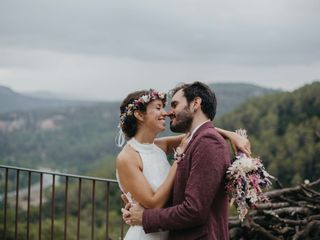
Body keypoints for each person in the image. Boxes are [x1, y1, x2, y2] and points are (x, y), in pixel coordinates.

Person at [117, 85, 251, 240]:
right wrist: (177, 159)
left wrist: (232, 135)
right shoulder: (128, 156)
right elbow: (198, 134)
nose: (166, 113)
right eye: (159, 108)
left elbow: (200, 133)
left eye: (173, 105)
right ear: (140, 115)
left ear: (195, 104)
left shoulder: (162, 146)